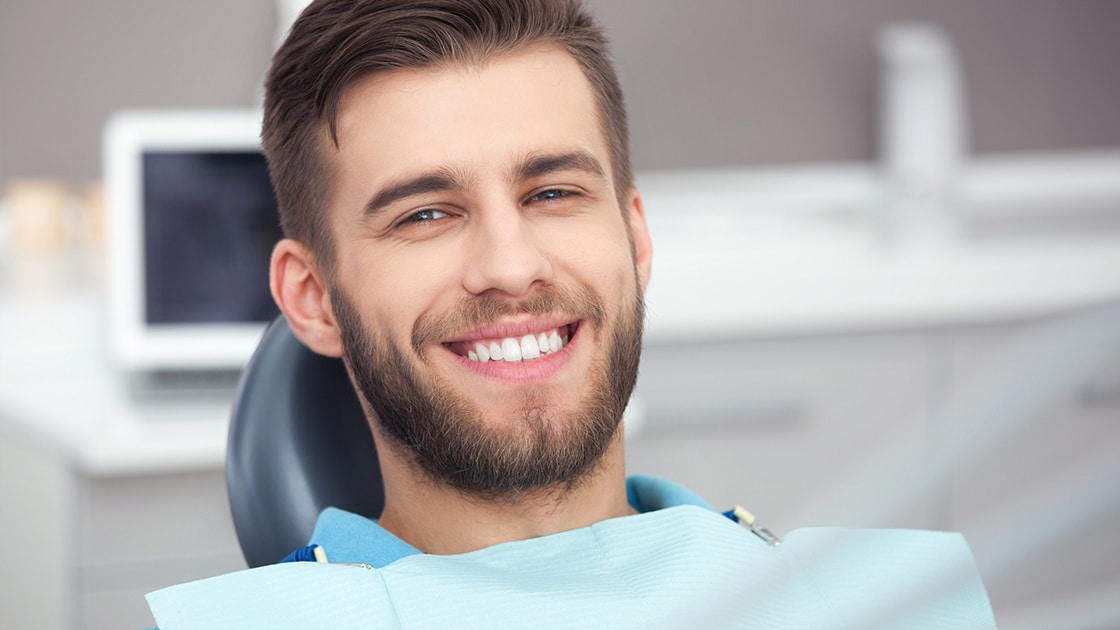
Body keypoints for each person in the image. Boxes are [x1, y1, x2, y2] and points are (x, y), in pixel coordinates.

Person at [146, 1, 996, 627]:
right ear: (313, 299)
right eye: (425, 214)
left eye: (552, 192)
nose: (511, 267)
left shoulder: (899, 603)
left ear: (634, 238)